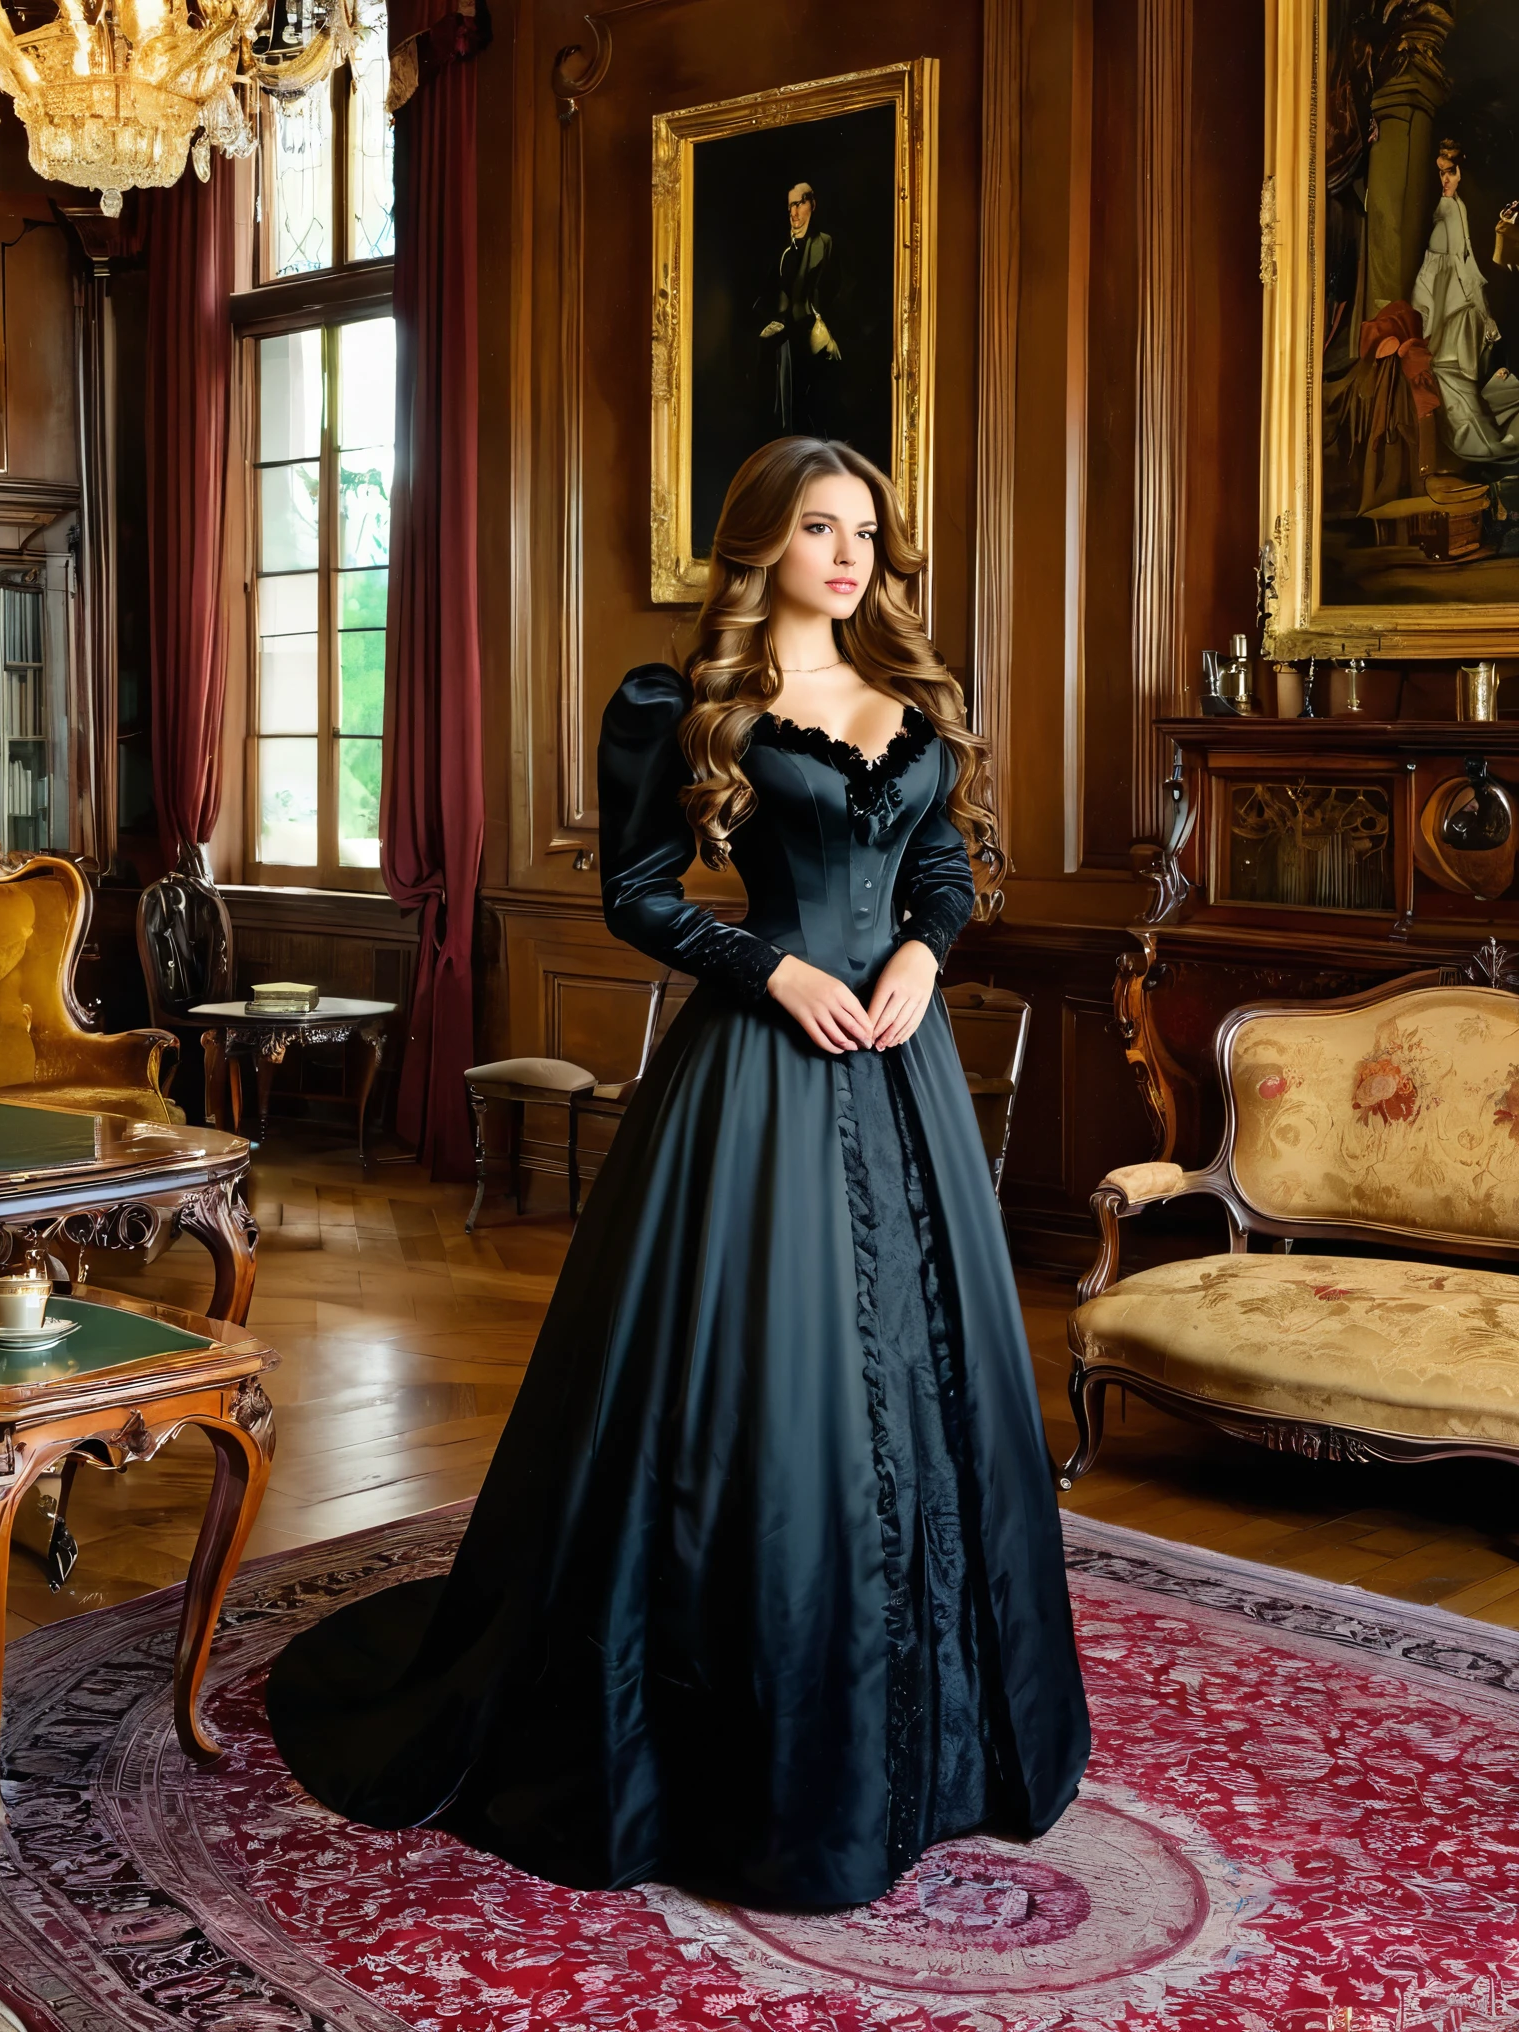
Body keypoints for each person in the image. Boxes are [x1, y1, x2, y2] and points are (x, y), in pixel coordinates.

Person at [266, 436, 1091, 1911]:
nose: (853, 556)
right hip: (758, 1074)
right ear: (762, 543)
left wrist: (920, 954)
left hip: (898, 1065)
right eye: (822, 529)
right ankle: (731, 1733)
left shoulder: (911, 695)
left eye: (869, 533)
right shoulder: (677, 701)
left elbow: (949, 870)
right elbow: (637, 893)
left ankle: (942, 1735)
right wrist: (771, 971)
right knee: (756, 1393)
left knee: (928, 1378)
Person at [1411, 138, 1519, 461]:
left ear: (1460, 174)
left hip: (1463, 311)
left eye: (1450, 172)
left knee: (1469, 380)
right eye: (1441, 173)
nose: (1444, 179)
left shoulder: (1458, 208)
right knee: (1455, 379)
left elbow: (1465, 265)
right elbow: (1436, 274)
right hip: (1452, 313)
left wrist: (1483, 312)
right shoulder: (1448, 211)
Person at [759, 181, 844, 436]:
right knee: (789, 414)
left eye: (799, 204)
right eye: (790, 207)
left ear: (812, 204)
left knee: (819, 411)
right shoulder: (785, 252)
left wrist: (827, 329)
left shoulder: (825, 243)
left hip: (817, 338)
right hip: (789, 341)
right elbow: (777, 297)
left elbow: (835, 291)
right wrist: (775, 322)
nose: (794, 213)